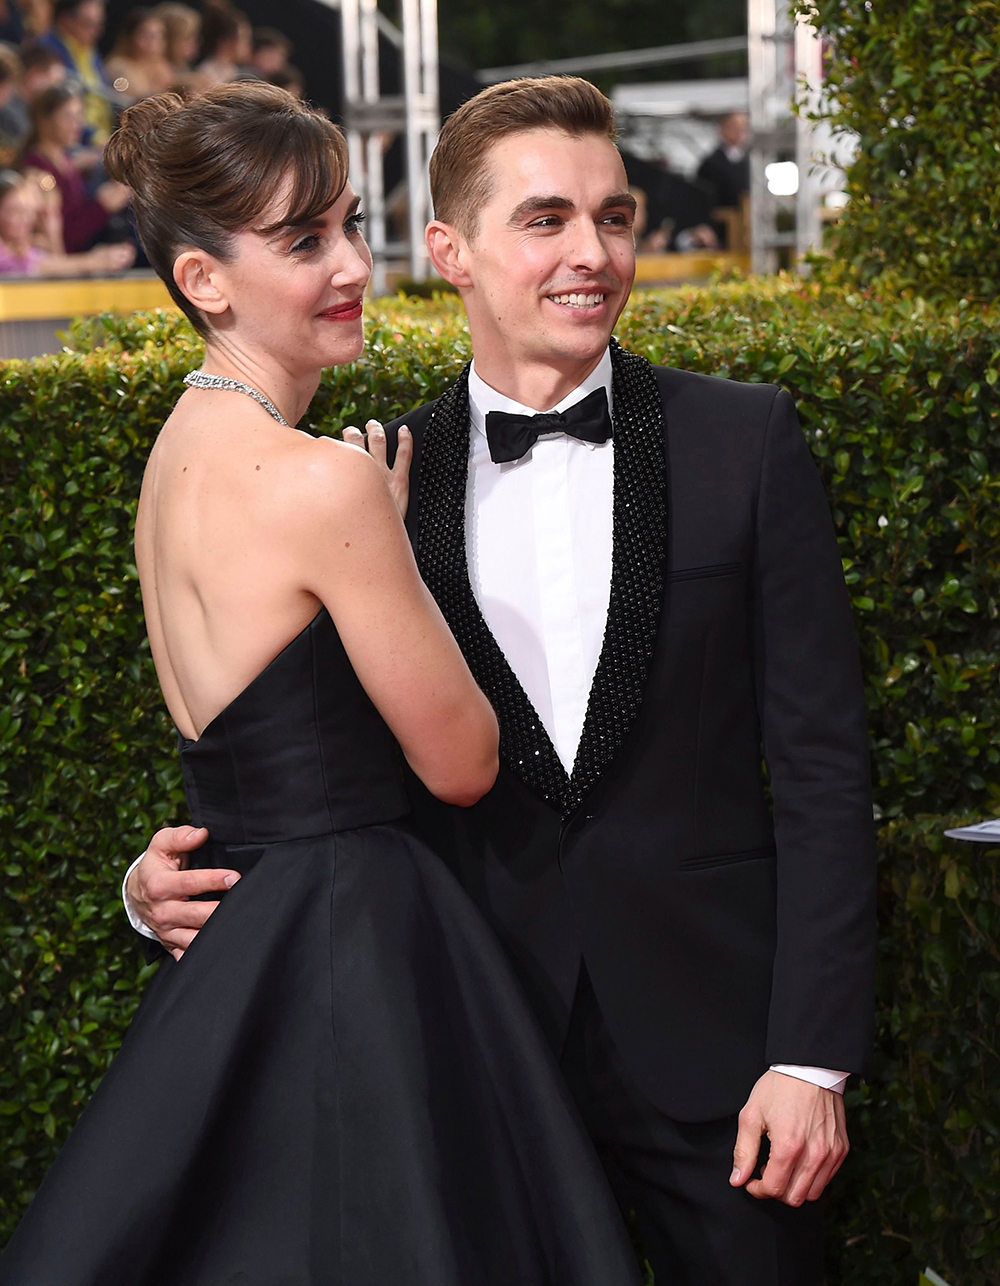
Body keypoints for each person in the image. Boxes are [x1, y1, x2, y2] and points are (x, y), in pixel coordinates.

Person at [128, 75, 877, 1285]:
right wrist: (151, 879)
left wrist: (813, 1056)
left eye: (614, 216)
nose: (591, 253)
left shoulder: (746, 443)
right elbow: (302, 749)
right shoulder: (370, 478)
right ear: (452, 251)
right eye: (545, 220)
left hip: (725, 1071)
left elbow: (825, 771)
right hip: (463, 1050)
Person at [0, 81, 642, 1286]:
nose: (352, 262)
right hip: (358, 950)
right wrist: (384, 547)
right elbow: (460, 762)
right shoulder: (321, 484)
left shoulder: (170, 464)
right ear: (205, 279)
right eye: (304, 241)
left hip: (245, 939)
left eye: (347, 222)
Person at [19, 81, 130, 252]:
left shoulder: (66, 161)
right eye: (68, 116)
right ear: (44, 120)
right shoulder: (36, 169)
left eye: (79, 115)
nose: (77, 124)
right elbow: (60, 238)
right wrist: (101, 207)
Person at [0, 166, 133, 270]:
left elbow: (58, 267)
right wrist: (95, 261)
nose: (25, 220)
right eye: (15, 211)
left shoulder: (27, 247)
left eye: (29, 212)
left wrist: (52, 228)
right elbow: (32, 268)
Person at [37, 0, 113, 142]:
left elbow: (106, 97)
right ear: (66, 20)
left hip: (103, 135)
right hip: (73, 140)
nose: (97, 31)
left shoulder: (90, 51)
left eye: (99, 24)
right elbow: (55, 109)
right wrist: (95, 137)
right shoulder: (47, 51)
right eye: (89, 24)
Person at [105, 7, 173, 102]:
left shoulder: (161, 66)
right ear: (130, 36)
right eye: (147, 35)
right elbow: (132, 101)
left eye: (159, 36)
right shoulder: (118, 66)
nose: (153, 42)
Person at [698, 110, 751, 213]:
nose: (740, 131)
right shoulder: (711, 163)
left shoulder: (749, 160)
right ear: (722, 128)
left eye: (743, 127)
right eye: (735, 127)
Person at [154, 1, 200, 85]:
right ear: (171, 40)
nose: (194, 43)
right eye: (187, 38)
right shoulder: (157, 72)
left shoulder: (184, 67)